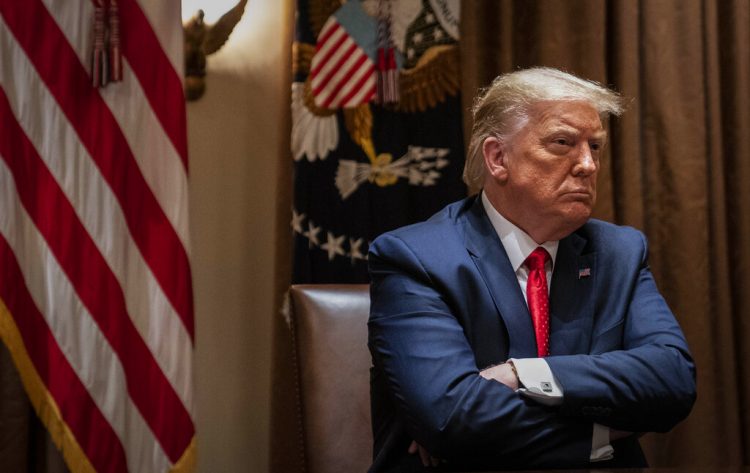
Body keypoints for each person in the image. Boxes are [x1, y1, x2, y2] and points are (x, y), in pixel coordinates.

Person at [367, 67, 696, 472]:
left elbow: (673, 380)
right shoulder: (416, 257)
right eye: (563, 143)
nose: (588, 165)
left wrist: (521, 374)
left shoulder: (619, 251)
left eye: (595, 146)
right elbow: (453, 421)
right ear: (497, 157)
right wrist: (607, 431)